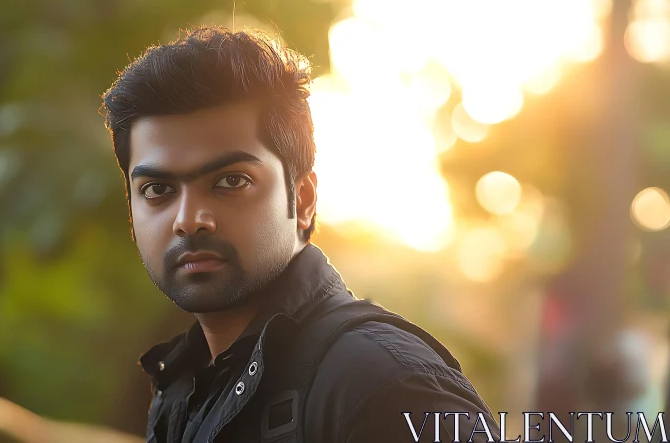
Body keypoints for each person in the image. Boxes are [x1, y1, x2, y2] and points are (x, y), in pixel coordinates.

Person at [101, 26, 500, 443]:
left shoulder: (382, 382)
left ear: (303, 198)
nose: (189, 219)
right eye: (158, 190)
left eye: (231, 181)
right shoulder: (183, 390)